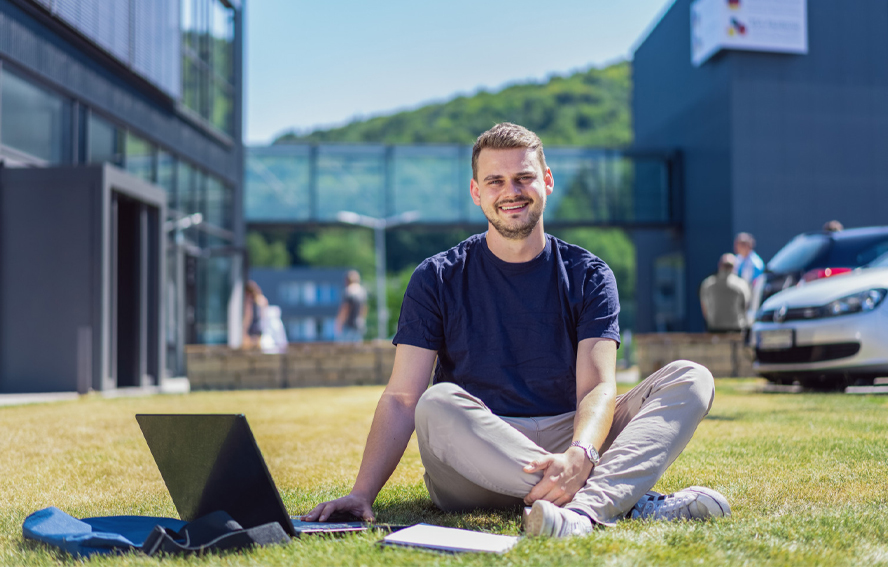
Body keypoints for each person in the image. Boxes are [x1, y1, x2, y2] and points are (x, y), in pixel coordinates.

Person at [305, 123, 729, 538]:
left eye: (524, 177)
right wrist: (362, 493)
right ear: (476, 192)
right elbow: (402, 399)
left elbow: (597, 389)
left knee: (692, 378)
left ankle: (582, 510)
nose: (511, 191)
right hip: (473, 454)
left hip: (571, 434)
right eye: (495, 181)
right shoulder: (436, 277)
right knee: (436, 403)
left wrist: (581, 452)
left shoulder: (590, 274)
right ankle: (622, 498)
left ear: (546, 181)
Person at [700, 254, 750, 332]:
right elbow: (746, 307)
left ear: (719, 265)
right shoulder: (741, 285)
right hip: (735, 329)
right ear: (734, 267)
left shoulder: (708, 284)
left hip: (714, 328)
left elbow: (705, 309)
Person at [335, 270, 368, 342]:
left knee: (345, 348)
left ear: (347, 280)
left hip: (348, 325)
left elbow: (345, 309)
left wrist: (339, 323)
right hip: (359, 324)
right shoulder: (362, 291)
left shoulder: (348, 291)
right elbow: (364, 308)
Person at [242, 280, 268, 349]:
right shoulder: (262, 300)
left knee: (248, 349)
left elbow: (248, 316)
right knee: (258, 349)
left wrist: (244, 330)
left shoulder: (250, 301)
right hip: (260, 327)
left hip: (252, 327)